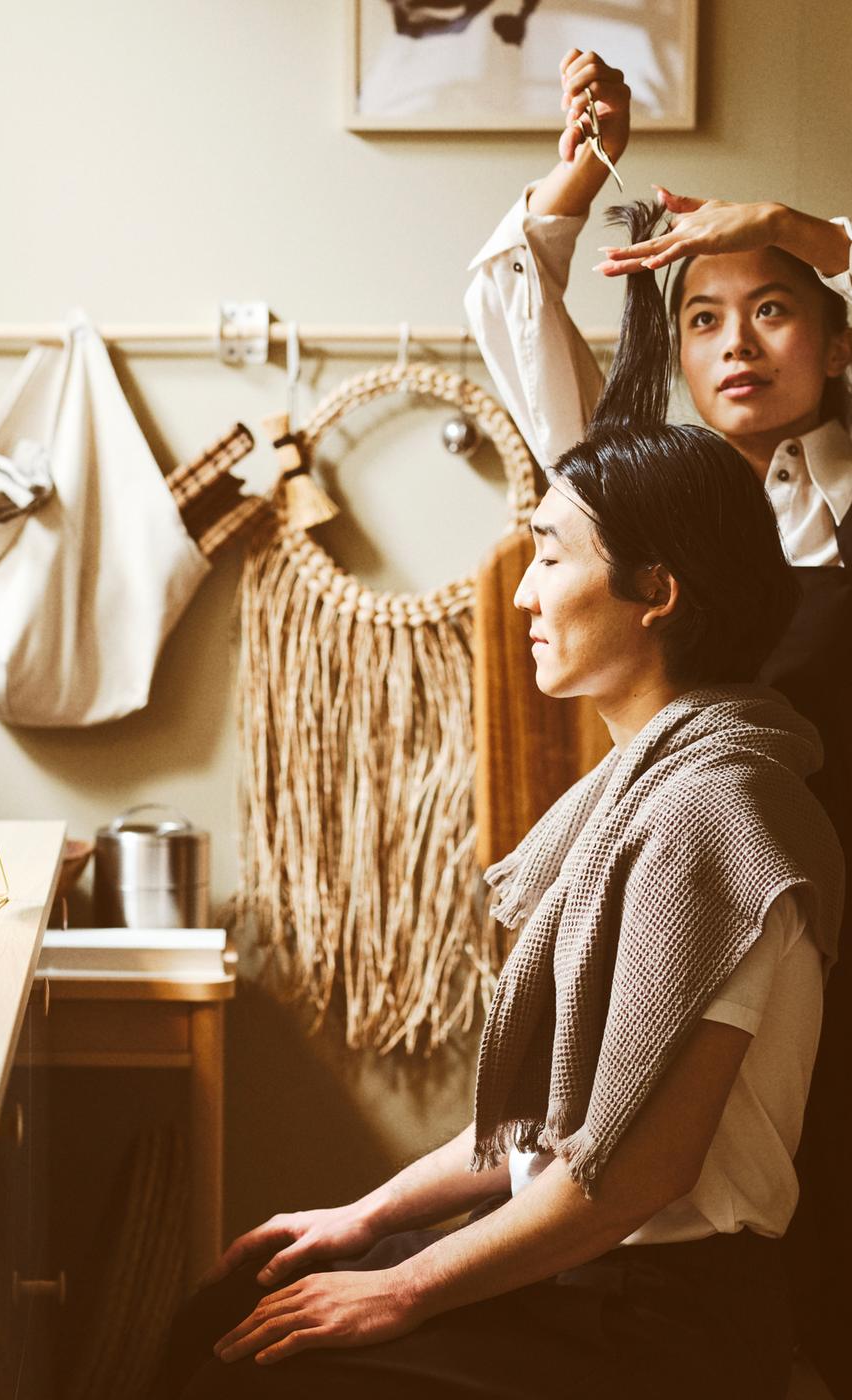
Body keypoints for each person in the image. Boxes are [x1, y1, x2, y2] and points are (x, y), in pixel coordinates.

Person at [154, 249, 845, 1397]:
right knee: (236, 1305)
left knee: (253, 1371)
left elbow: (633, 1174)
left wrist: (401, 1285)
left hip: (658, 1316)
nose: (521, 589)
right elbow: (558, 1126)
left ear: (655, 591)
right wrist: (363, 1216)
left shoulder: (714, 814)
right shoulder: (655, 784)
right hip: (592, 1270)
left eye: (549, 553)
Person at [465, 50, 852, 1388]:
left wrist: (793, 227)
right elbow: (509, 306)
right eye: (702, 317)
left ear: (837, 338)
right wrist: (581, 172)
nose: (735, 344)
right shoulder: (644, 497)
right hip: (705, 902)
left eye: (775, 310)